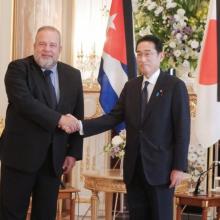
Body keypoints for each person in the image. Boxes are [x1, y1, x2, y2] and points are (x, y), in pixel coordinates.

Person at [75, 35, 190, 220]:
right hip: (134, 170)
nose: (142, 59)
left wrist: (179, 167)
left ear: (161, 56)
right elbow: (112, 118)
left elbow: (182, 130)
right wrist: (80, 126)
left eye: (148, 54)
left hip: (162, 172)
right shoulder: (131, 87)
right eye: (139, 54)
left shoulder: (174, 86)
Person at [0, 26, 83, 220]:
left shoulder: (73, 75)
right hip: (20, 157)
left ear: (60, 48)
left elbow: (78, 115)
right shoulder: (18, 68)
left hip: (54, 160)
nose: (47, 49)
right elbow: (25, 103)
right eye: (42, 44)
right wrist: (59, 119)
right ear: (34, 45)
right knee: (11, 214)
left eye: (52, 45)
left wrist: (73, 152)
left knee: (46, 215)